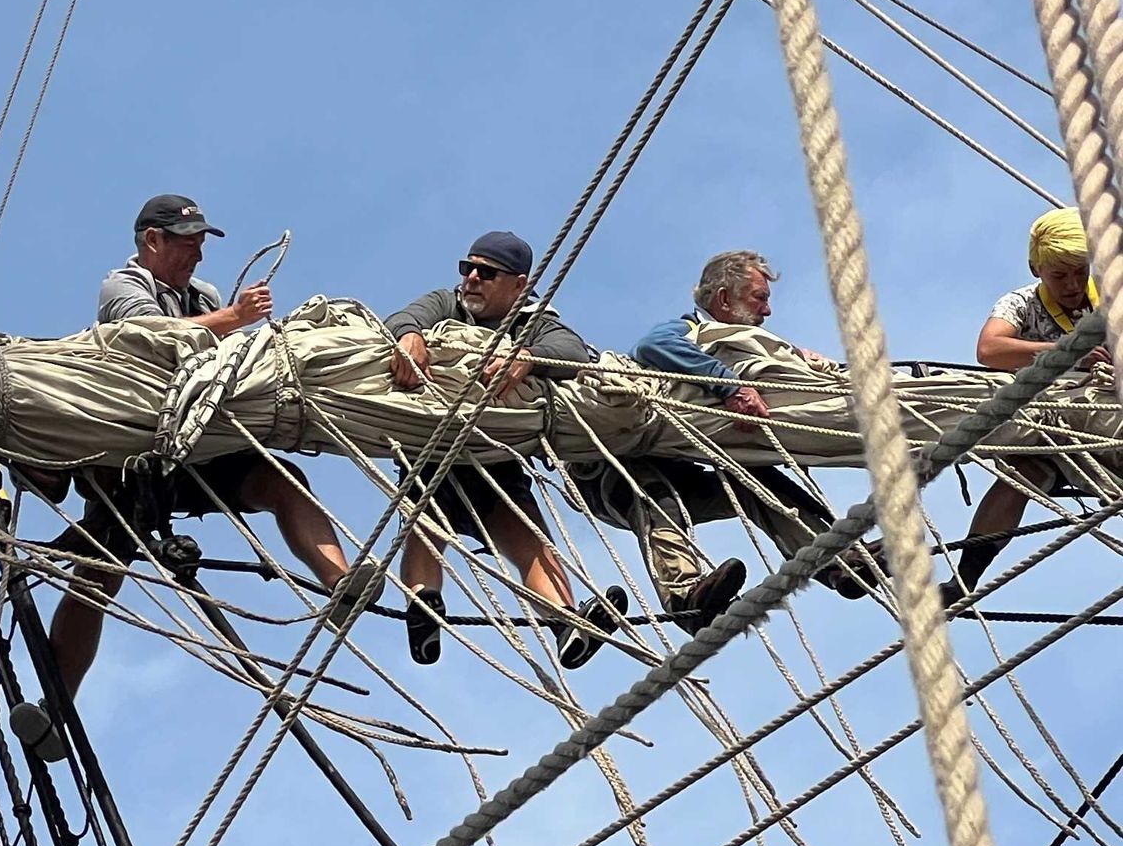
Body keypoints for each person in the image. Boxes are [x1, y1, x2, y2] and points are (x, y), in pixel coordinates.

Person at [10, 193, 372, 762]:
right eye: (188, 242)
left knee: (284, 482)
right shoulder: (122, 289)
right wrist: (233, 319)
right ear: (152, 241)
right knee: (97, 576)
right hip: (129, 456)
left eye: (202, 241)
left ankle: (344, 582)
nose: (199, 253)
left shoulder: (199, 295)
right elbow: (149, 344)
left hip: (201, 447)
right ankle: (56, 708)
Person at [585, 248, 876, 625]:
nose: (767, 312)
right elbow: (652, 346)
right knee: (656, 493)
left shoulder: (734, 343)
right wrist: (728, 387)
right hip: (615, 473)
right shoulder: (690, 330)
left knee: (757, 482)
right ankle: (686, 599)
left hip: (673, 465)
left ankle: (836, 563)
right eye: (760, 298)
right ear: (723, 299)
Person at [382, 230, 626, 669]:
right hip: (431, 451)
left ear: (519, 286)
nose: (472, 278)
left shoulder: (530, 323)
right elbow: (404, 317)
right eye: (467, 268)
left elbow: (572, 350)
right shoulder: (446, 303)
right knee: (425, 525)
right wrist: (409, 335)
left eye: (487, 272)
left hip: (496, 460)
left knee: (528, 541)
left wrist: (526, 356)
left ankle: (565, 623)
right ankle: (423, 610)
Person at [948, 206, 1106, 606]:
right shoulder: (1020, 303)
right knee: (1020, 475)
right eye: (1059, 275)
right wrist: (1066, 352)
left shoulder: (1109, 294)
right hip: (1058, 427)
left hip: (1107, 414)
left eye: (1079, 271)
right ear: (1037, 270)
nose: (1072, 284)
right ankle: (963, 582)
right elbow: (990, 349)